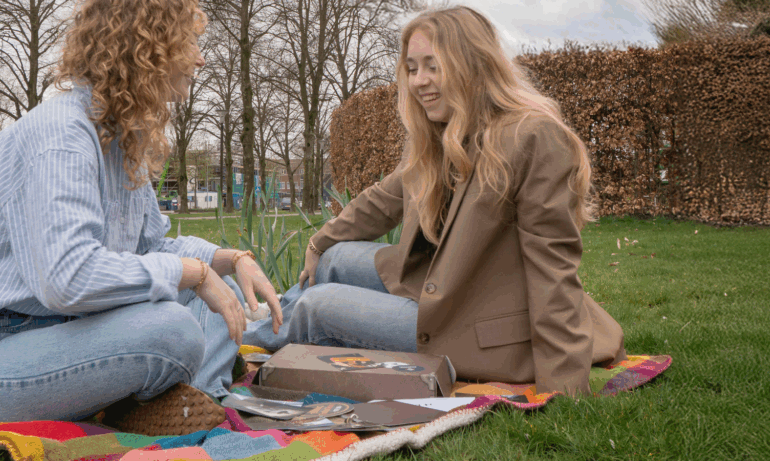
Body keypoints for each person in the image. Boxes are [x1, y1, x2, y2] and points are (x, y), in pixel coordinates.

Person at [0, 0, 283, 432]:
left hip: (56, 341)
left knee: (221, 292)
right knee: (174, 328)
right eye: (190, 43)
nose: (200, 58)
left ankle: (187, 401)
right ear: (148, 47)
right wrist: (194, 273)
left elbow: (153, 247)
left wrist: (231, 259)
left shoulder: (122, 140)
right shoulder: (63, 137)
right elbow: (67, 279)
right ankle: (172, 399)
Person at [244, 6, 625, 395]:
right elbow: (381, 201)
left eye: (433, 66)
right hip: (441, 290)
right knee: (333, 260)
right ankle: (259, 319)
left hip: (480, 329)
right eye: (412, 68)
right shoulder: (442, 135)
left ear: (472, 65)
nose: (419, 81)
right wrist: (319, 241)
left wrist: (563, 385)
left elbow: (553, 266)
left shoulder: (531, 138)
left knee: (318, 307)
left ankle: (241, 338)